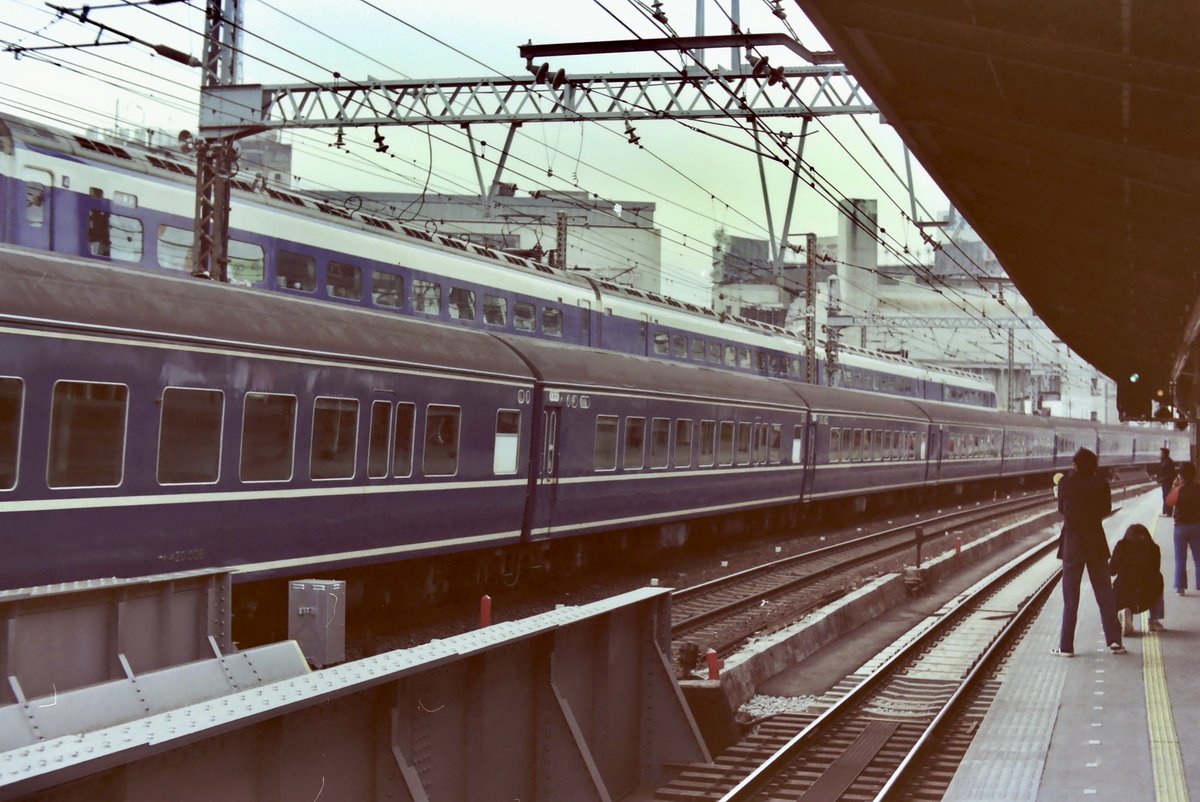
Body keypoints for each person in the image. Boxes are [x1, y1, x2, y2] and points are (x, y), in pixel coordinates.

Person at [1053, 447, 1125, 656]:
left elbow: (1061, 509)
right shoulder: (1101, 484)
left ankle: (1066, 647)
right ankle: (1114, 642)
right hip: (1095, 543)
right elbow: (1106, 510)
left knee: (1071, 598)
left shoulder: (1065, 483)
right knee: (1105, 595)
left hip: (1072, 546)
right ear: (1094, 466)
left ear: (1075, 465)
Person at [1109, 523, 1165, 634]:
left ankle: (1125, 612)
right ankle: (1154, 621)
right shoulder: (1154, 548)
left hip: (1122, 593)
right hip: (1147, 595)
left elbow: (1111, 571)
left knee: (1119, 585)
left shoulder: (1121, 546)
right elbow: (1155, 571)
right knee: (1159, 579)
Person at [1166, 461, 1200, 595]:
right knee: (1198, 558)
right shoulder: (1199, 488)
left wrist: (1175, 486)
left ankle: (1180, 588)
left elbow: (1169, 502)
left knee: (1180, 558)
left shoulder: (1178, 489)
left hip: (1180, 527)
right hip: (1197, 526)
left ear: (1180, 475)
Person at [1157, 448, 1177, 515]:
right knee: (1165, 496)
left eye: (1161, 453)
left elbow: (1169, 474)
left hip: (1167, 482)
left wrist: (1161, 479)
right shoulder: (1165, 461)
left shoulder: (1168, 462)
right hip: (1165, 482)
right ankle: (1165, 511)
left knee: (1167, 496)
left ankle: (1168, 512)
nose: (1160, 454)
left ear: (1165, 454)